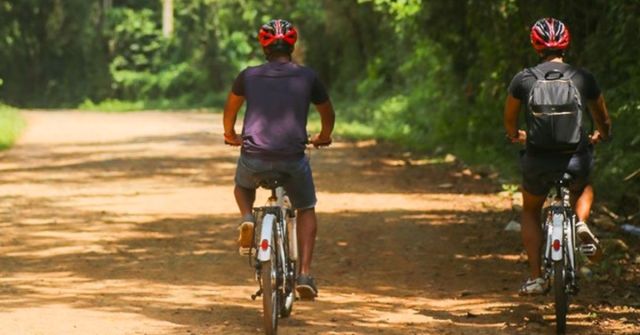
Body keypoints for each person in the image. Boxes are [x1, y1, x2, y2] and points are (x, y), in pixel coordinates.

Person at [223, 19, 335, 301]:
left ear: (264, 47)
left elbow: (230, 111)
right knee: (306, 207)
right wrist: (324, 136)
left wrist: (230, 135)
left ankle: (247, 218)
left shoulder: (247, 76)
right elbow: (327, 112)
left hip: (254, 156)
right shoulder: (307, 76)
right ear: (292, 46)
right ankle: (305, 274)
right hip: (292, 158)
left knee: (242, 186)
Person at [503, 17, 612, 295]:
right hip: (576, 158)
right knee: (585, 187)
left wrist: (517, 135)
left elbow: (510, 121)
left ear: (536, 45)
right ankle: (580, 223)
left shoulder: (524, 79)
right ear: (566, 44)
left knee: (530, 209)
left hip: (538, 160)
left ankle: (537, 277)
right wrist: (602, 133)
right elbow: (601, 116)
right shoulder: (582, 77)